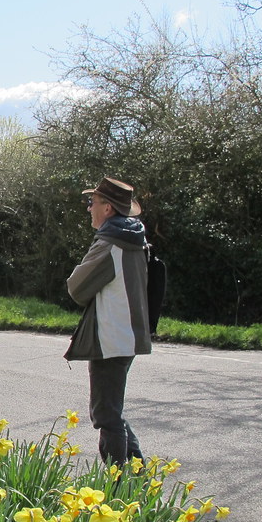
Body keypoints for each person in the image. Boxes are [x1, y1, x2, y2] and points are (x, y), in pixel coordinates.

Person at [65, 177, 152, 467]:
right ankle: (138, 476)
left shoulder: (111, 244)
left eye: (94, 202)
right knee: (112, 411)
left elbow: (77, 288)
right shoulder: (135, 241)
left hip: (111, 338)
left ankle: (117, 485)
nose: (89, 208)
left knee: (107, 416)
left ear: (108, 209)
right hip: (128, 336)